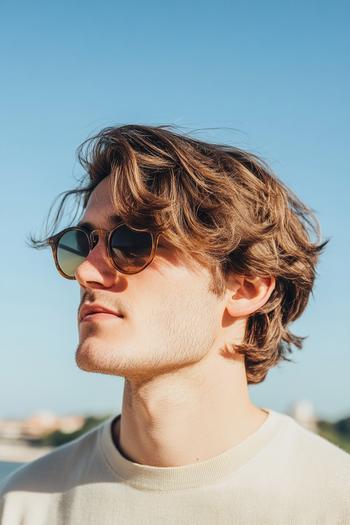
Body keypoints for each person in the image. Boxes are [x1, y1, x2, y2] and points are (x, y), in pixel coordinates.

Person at [1, 124, 349, 524]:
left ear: (246, 288)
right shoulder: (25, 504)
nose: (86, 274)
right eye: (81, 245)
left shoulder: (334, 503)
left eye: (131, 242)